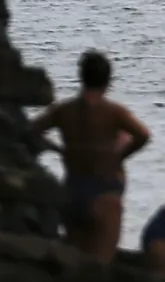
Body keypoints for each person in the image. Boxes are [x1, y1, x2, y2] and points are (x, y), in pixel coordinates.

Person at [31, 50, 151, 263]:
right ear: (108, 81)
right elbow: (143, 135)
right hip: (105, 192)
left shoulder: (64, 110)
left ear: (81, 77)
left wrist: (58, 149)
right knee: (99, 269)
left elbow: (30, 130)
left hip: (73, 191)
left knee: (74, 263)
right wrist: (120, 156)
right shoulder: (114, 112)